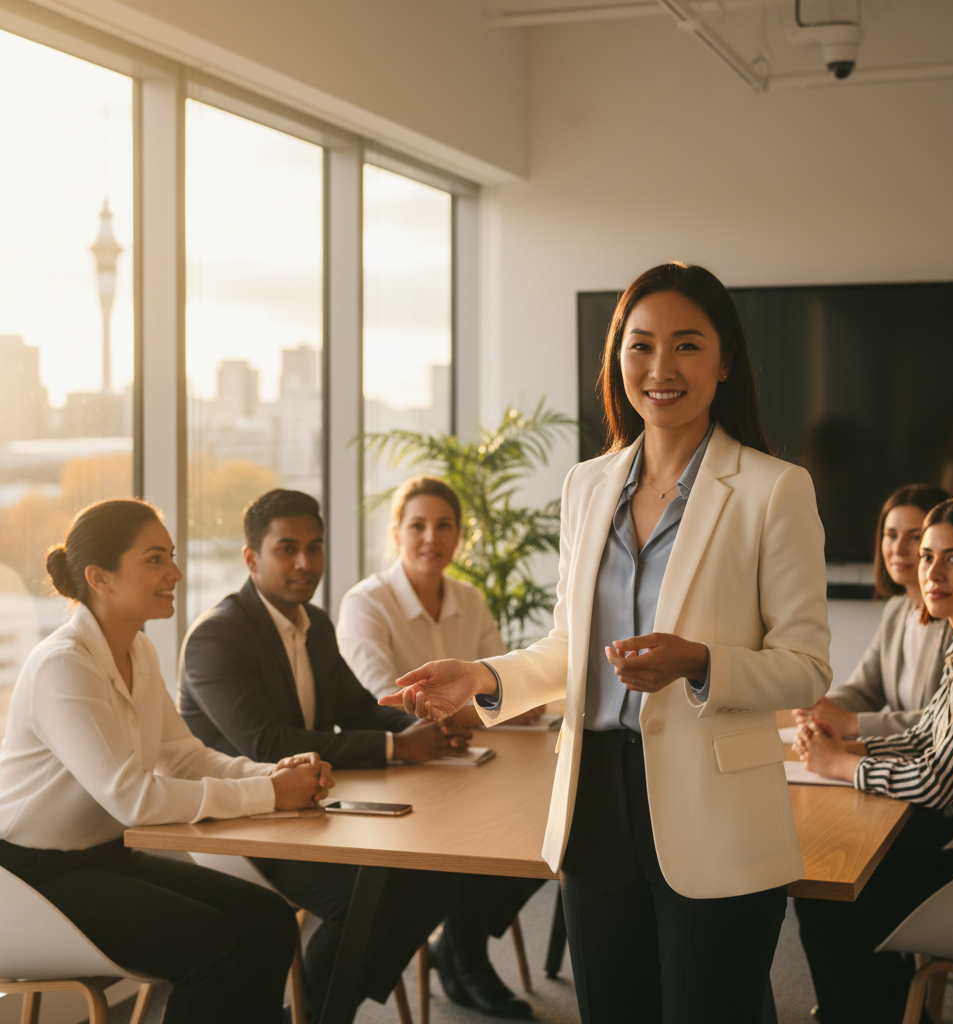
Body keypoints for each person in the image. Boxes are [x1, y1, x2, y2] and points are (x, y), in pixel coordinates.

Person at [380, 262, 833, 1024]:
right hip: (596, 803)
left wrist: (701, 664)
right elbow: (571, 647)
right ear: (617, 358)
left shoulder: (773, 489)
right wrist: (483, 677)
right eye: (640, 346)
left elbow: (807, 668)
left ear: (725, 362)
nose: (660, 370)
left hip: (716, 809)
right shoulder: (588, 485)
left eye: (687, 346)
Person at [0, 499, 333, 1024]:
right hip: (29, 879)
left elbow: (184, 756)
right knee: (218, 949)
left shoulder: (140, 652)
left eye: (172, 557)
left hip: (102, 857)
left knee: (269, 920)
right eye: (155, 559)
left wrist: (272, 774)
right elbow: (132, 797)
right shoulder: (64, 667)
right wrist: (271, 794)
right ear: (100, 578)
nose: (175, 572)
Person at [178, 488, 463, 1024]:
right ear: (251, 558)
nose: (305, 563)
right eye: (287, 549)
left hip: (304, 805)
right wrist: (395, 747)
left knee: (435, 871)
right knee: (361, 894)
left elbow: (358, 708)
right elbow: (265, 743)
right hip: (236, 815)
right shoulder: (218, 637)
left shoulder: (315, 624)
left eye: (315, 547)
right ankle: (315, 1013)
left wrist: (427, 726)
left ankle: (318, 1009)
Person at [793, 497, 953, 1024]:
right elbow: (926, 735)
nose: (932, 572)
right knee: (837, 888)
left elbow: (940, 780)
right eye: (926, 557)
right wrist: (854, 748)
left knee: (836, 904)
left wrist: (841, 766)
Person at [339, 475, 545, 1019]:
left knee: (547, 827)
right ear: (396, 533)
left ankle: (460, 945)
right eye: (418, 525)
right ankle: (465, 956)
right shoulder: (367, 602)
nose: (431, 537)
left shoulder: (468, 598)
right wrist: (486, 705)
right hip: (396, 768)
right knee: (495, 828)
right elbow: (387, 704)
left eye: (444, 525)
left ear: (459, 536)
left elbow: (506, 684)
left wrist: (494, 701)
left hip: (463, 759)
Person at [794, 484, 952, 737]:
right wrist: (820, 709)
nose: (898, 549)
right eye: (891, 535)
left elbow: (948, 717)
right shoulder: (896, 611)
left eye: (914, 536)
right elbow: (865, 689)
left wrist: (850, 723)